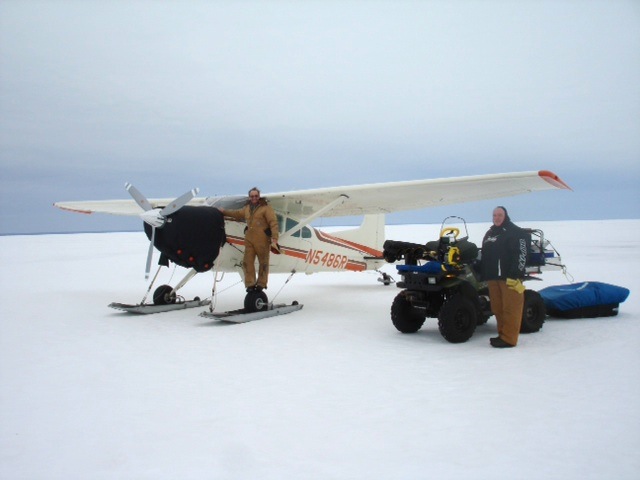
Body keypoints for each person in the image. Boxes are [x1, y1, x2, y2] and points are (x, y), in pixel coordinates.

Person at [480, 206, 528, 348]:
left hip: (509, 277)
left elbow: (522, 254)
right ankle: (502, 335)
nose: (497, 217)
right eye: (494, 215)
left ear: (505, 215)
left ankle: (509, 339)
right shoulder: (490, 233)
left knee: (511, 308)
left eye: (500, 215)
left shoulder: (515, 232)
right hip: (493, 277)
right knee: (497, 307)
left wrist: (516, 273)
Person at [217, 187, 280, 292]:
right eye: (252, 196)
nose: (254, 198)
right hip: (249, 239)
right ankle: (250, 284)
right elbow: (237, 214)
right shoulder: (247, 208)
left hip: (262, 240)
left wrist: (275, 239)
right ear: (249, 197)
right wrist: (224, 212)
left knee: (263, 263)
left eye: (256, 196)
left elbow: (273, 223)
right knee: (247, 262)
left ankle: (261, 284)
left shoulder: (266, 208)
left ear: (259, 196)